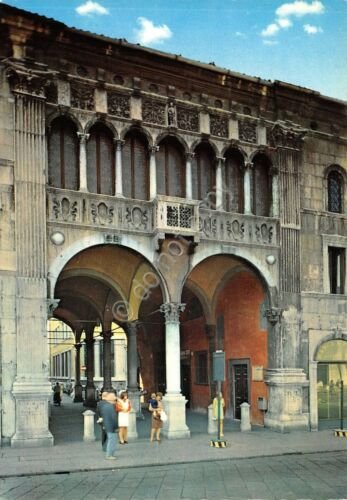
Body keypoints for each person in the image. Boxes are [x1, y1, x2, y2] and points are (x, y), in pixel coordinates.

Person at [97, 391, 118, 460]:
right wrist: (116, 426)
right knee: (111, 440)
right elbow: (113, 417)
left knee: (109, 439)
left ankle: (109, 452)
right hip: (110, 426)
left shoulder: (103, 404)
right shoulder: (109, 406)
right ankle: (109, 455)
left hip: (106, 424)